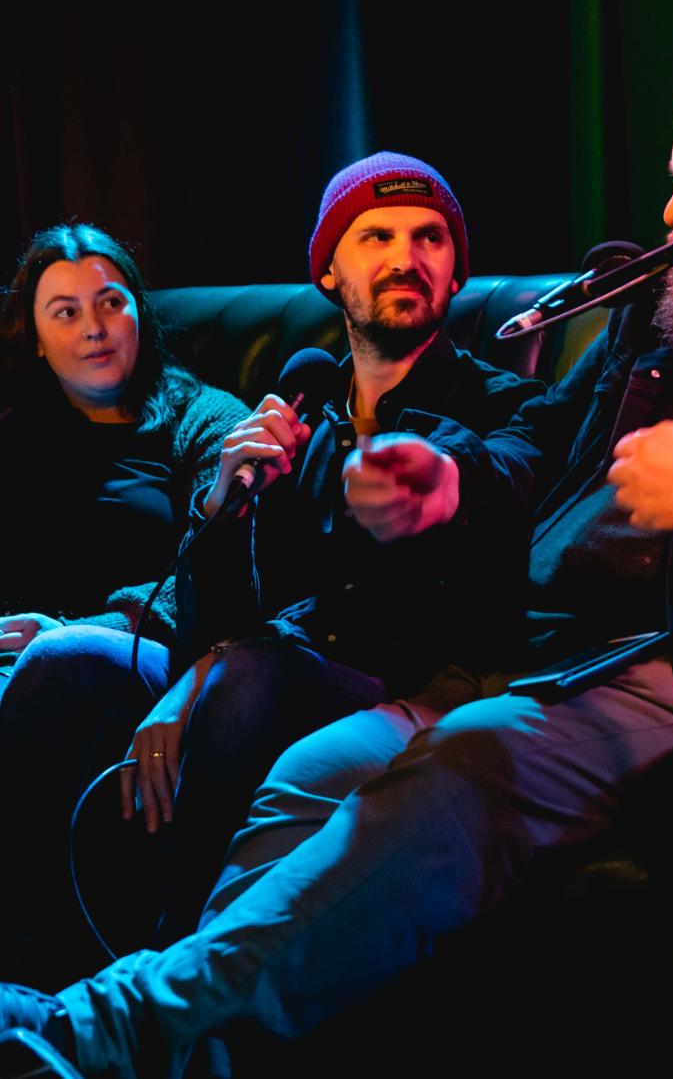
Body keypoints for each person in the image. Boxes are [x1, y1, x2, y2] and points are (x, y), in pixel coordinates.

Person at [3, 39, 673, 1079]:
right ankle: (188, 1056)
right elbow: (540, 447)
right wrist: (451, 486)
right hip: (549, 651)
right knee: (312, 774)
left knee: (461, 768)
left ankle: (99, 1034)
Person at [122, 151, 545, 944]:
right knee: (95, 685)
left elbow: (482, 526)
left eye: (430, 238)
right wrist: (224, 506)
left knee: (253, 679)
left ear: (456, 274)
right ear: (327, 274)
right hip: (293, 670)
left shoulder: (503, 406)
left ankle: (171, 964)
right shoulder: (302, 415)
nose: (405, 258)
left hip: (429, 684)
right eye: (375, 236)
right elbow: (225, 618)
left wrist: (226, 667)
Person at [0, 223, 248, 983]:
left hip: (157, 655)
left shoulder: (203, 419)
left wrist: (83, 625)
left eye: (110, 302)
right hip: (24, 660)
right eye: (65, 312)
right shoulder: (17, 440)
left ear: (139, 310)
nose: (95, 327)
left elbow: (213, 567)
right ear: (37, 340)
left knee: (59, 658)